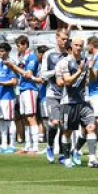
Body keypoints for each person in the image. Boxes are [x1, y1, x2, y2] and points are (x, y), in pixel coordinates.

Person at [56, 36, 98, 168]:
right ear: (71, 46)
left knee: (91, 127)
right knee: (67, 132)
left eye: (81, 45)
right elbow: (68, 81)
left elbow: (91, 80)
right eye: (76, 45)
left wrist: (90, 68)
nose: (79, 48)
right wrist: (80, 71)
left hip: (83, 101)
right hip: (68, 102)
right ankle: (67, 158)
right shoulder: (64, 63)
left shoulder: (85, 61)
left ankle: (92, 159)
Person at [6, 35, 41, 154]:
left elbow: (28, 74)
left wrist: (14, 67)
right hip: (21, 89)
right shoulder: (21, 57)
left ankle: (35, 146)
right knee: (25, 118)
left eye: (19, 46)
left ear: (25, 44)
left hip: (30, 88)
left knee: (31, 117)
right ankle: (28, 145)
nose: (18, 48)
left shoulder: (32, 57)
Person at [39, 29, 69, 163]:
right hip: (52, 93)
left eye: (67, 39)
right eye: (63, 38)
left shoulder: (69, 54)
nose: (65, 41)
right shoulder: (49, 54)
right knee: (55, 122)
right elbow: (43, 75)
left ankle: (63, 153)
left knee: (64, 125)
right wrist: (56, 71)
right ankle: (50, 146)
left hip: (66, 94)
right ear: (56, 38)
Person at [0, 42, 19, 154]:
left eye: (2, 51)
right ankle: (3, 144)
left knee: (9, 120)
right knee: (2, 121)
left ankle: (12, 144)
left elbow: (14, 81)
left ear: (8, 52)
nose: (0, 53)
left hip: (8, 96)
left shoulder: (11, 63)